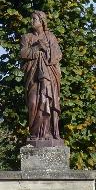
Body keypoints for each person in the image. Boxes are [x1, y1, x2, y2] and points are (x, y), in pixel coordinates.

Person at [20, 11, 63, 143]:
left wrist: (47, 51)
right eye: (31, 19)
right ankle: (34, 133)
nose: (32, 21)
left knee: (47, 102)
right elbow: (23, 53)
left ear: (42, 20)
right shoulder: (26, 37)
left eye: (34, 19)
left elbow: (57, 55)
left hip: (49, 75)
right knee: (33, 102)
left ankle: (47, 133)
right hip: (33, 75)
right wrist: (37, 47)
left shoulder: (50, 37)